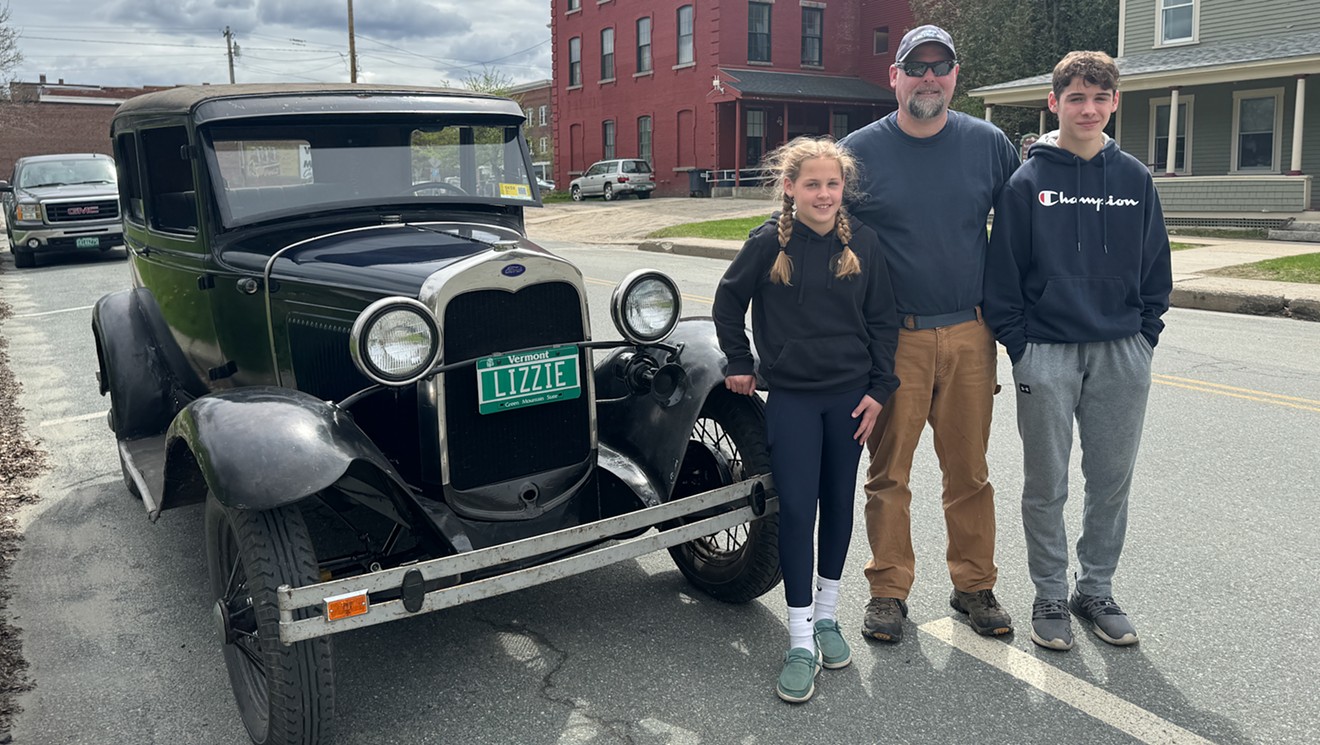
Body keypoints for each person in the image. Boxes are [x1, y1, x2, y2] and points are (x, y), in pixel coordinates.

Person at [982, 51, 1172, 651]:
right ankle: (1049, 593)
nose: (1088, 109)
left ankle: (1096, 589)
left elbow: (1156, 266)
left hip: (1120, 349)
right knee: (1047, 483)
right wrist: (1022, 349)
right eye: (1075, 98)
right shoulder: (1027, 182)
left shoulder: (1135, 178)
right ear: (1054, 103)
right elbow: (1002, 277)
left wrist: (1145, 336)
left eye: (1099, 98)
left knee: (1111, 479)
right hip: (1047, 352)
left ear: (1115, 102)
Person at [838, 24, 1020, 642]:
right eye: (917, 66)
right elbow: (822, 239)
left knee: (969, 471)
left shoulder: (990, 144)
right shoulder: (856, 153)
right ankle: (888, 591)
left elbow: (1022, 237)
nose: (929, 78)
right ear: (894, 75)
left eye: (941, 67)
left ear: (954, 78)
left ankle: (974, 586)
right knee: (889, 473)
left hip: (972, 334)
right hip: (895, 341)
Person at [713, 137, 899, 703]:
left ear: (844, 189)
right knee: (796, 511)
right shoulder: (769, 242)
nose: (823, 194)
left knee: (839, 504)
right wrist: (741, 364)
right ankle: (798, 640)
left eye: (832, 184)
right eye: (812, 184)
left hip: (848, 400)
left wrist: (879, 390)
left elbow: (885, 320)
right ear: (790, 188)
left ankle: (826, 617)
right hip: (793, 399)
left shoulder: (863, 242)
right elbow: (727, 301)